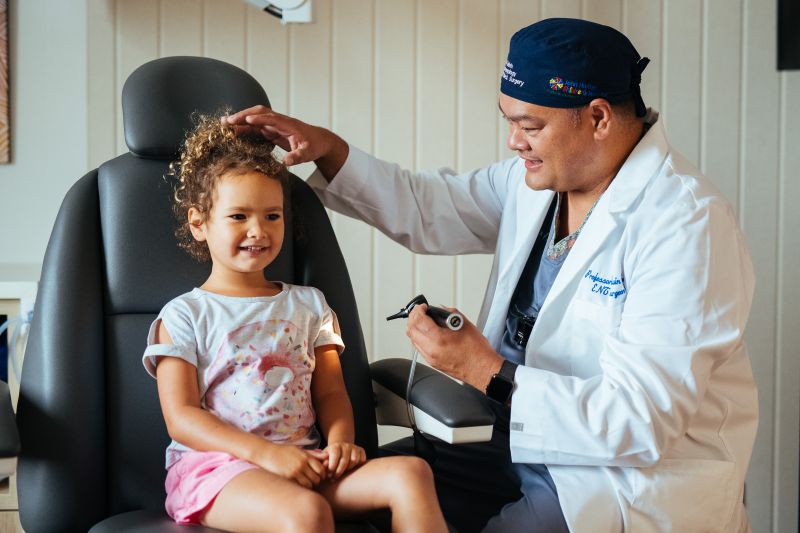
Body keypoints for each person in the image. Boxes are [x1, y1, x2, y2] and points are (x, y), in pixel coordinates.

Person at [224, 17, 758, 533]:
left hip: (613, 477)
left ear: (598, 118)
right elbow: (426, 207)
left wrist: (486, 370)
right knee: (368, 499)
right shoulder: (537, 181)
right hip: (507, 439)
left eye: (530, 126)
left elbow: (640, 422)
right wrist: (331, 150)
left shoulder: (684, 223)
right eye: (508, 121)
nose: (513, 143)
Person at [141, 113, 448, 533]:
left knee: (411, 474)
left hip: (304, 465)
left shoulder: (310, 306)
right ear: (199, 223)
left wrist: (340, 443)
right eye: (238, 217)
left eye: (272, 215)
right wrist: (267, 456)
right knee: (306, 513)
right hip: (218, 474)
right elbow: (182, 418)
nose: (258, 230)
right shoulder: (183, 316)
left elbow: (332, 393)